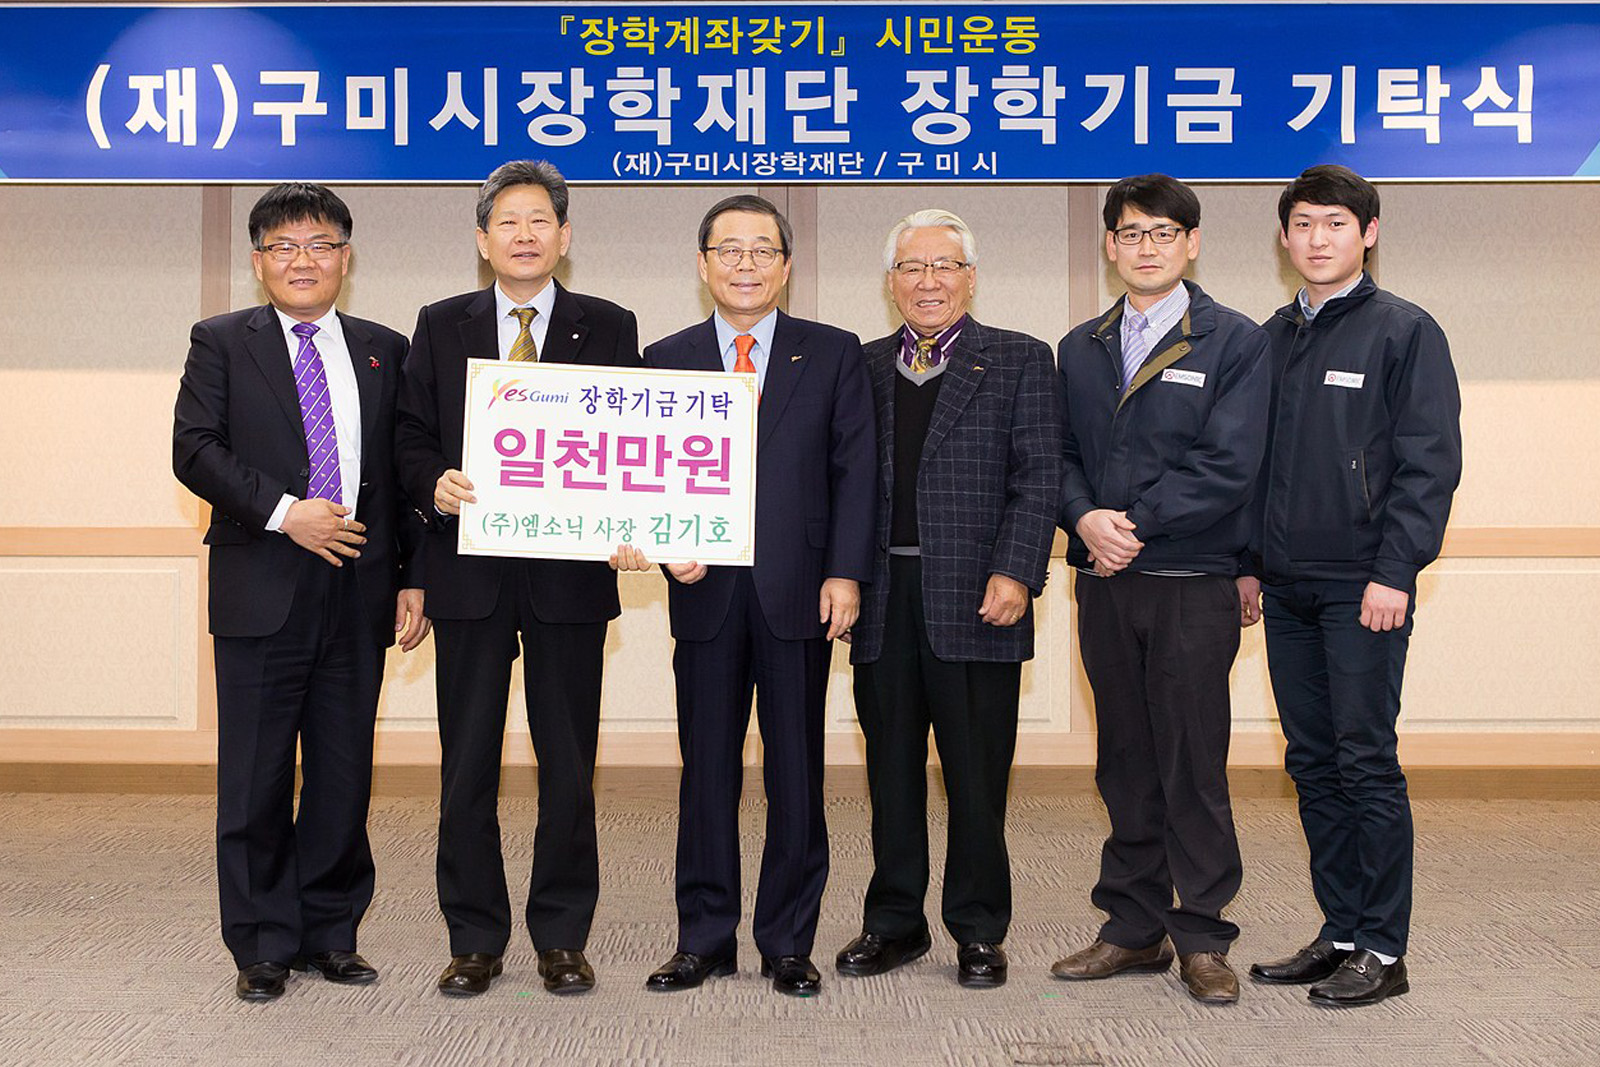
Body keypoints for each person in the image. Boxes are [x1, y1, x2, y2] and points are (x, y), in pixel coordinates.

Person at [612, 194, 876, 997]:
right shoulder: (666, 357)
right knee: (706, 774)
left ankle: (788, 941)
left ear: (786, 266)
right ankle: (704, 938)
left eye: (763, 250)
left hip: (800, 591)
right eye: (729, 250)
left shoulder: (831, 352)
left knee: (796, 773)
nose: (746, 264)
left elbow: (856, 470)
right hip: (706, 596)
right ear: (703, 265)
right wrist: (662, 548)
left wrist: (845, 571)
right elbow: (643, 474)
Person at [173, 182, 429, 1002]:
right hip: (262, 585)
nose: (302, 260)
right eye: (283, 246)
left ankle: (330, 932)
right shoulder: (221, 342)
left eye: (320, 244)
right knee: (255, 776)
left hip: (359, 590)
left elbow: (402, 474)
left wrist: (414, 576)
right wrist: (290, 514)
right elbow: (194, 449)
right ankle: (260, 943)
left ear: (345, 257)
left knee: (342, 776)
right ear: (258, 262)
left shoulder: (385, 348)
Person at [394, 160, 640, 997]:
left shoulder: (609, 325)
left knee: (568, 764)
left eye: (540, 221)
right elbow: (409, 434)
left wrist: (637, 524)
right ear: (482, 238)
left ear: (564, 236)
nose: (525, 235)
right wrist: (433, 483)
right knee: (466, 764)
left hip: (570, 577)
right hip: (468, 575)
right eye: (508, 221)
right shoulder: (441, 323)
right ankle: (474, 937)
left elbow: (631, 442)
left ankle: (562, 936)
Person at [1242, 164, 1462, 1007]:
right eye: (1302, 223)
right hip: (1286, 588)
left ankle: (1383, 946)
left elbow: (1428, 465)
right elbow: (1252, 464)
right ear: (1284, 237)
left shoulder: (1404, 331)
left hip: (1364, 588)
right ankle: (1339, 931)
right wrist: (1248, 562)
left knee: (1365, 759)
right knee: (1311, 760)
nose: (1317, 238)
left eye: (1335, 223)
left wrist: (1395, 570)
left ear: (1368, 233)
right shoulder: (1270, 337)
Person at [1052, 174, 1269, 1004]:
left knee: (1191, 759)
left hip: (1189, 580)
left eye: (1164, 233)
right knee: (1124, 759)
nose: (1147, 247)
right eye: (1132, 233)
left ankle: (1203, 935)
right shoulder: (1081, 346)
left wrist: (1129, 526)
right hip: (1105, 585)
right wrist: (1083, 516)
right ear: (1111, 245)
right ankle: (1133, 926)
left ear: (1192, 242)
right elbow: (1058, 452)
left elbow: (1229, 463)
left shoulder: (1235, 341)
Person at [834, 209, 1061, 989]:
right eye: (911, 267)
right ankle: (894, 922)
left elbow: (1040, 475)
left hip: (979, 596)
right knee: (890, 774)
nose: (927, 281)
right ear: (890, 281)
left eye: (944, 266)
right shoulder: (862, 366)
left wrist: (1016, 570)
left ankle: (979, 928)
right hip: (882, 598)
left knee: (976, 777)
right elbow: (841, 481)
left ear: (970, 277)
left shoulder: (1021, 359)